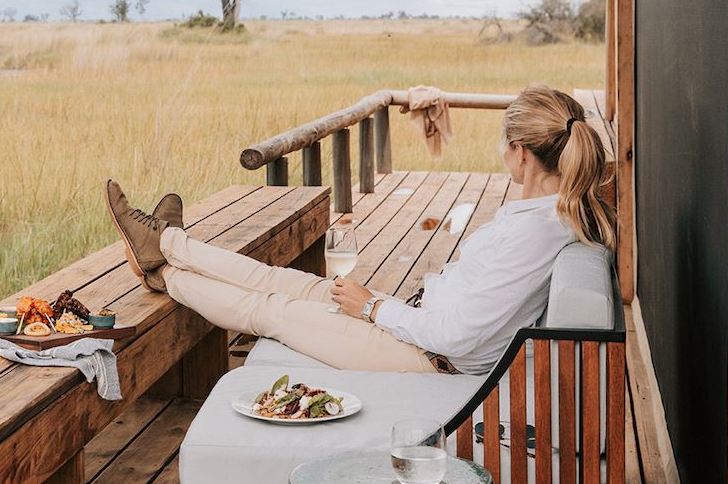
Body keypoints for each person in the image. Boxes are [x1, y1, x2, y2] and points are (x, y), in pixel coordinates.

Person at [104, 85, 616, 375]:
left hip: (427, 358)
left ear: (520, 154)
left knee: (273, 310)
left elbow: (460, 336)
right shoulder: (544, 215)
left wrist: (373, 308)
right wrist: (381, 306)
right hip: (414, 325)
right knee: (283, 281)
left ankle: (163, 270)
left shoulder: (535, 233)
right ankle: (169, 244)